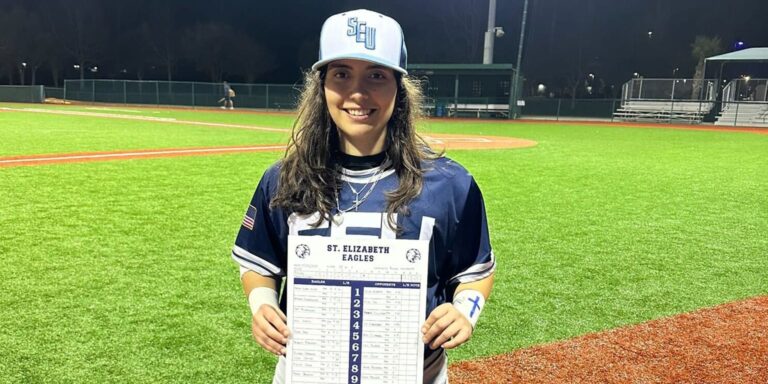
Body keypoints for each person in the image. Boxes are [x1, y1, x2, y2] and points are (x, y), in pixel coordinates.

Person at [232, 9, 495, 384]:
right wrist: (262, 305)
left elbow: (475, 271)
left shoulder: (450, 183)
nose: (358, 92)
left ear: (399, 88)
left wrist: (465, 310)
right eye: (342, 74)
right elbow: (259, 263)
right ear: (321, 86)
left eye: (376, 75)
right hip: (308, 372)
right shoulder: (285, 178)